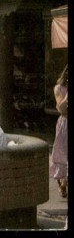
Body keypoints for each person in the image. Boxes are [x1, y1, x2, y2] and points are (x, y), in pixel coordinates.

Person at [52, 66, 68, 198]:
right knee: (62, 153)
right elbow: (62, 109)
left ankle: (65, 182)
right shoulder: (58, 88)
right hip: (65, 123)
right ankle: (62, 181)